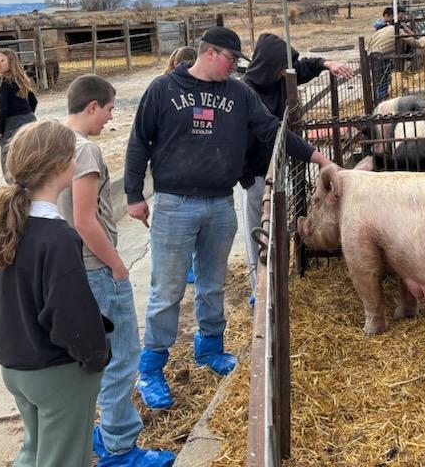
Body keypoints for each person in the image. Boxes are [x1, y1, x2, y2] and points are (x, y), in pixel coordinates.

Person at [124, 26, 333, 409]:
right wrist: (134, 194)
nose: (235, 67)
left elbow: (271, 130)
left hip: (220, 203)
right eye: (232, 59)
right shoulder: (163, 89)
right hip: (174, 203)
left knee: (211, 283)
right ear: (211, 53)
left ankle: (210, 347)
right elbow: (139, 141)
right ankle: (151, 366)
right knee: (167, 289)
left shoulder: (238, 93)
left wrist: (318, 157)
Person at [0, 119, 113, 467]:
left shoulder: (0, 228)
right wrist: (96, 356)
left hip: (15, 365)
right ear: (58, 167)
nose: (76, 162)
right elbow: (70, 313)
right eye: (73, 157)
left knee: (35, 452)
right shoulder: (58, 237)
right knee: (65, 459)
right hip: (56, 372)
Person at [56, 75, 175, 467]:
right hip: (96, 266)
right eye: (108, 110)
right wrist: (117, 264)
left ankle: (98, 431)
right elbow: (84, 220)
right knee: (121, 356)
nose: (109, 118)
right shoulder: (85, 150)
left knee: (86, 357)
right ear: (92, 106)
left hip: (67, 266)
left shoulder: (51, 139)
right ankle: (120, 448)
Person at [240, 33, 354, 294]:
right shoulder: (246, 91)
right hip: (253, 172)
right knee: (258, 230)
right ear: (269, 66)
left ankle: (277, 280)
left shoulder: (281, 78)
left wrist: (327, 64)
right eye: (281, 67)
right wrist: (246, 179)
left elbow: (305, 66)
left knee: (276, 225)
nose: (285, 72)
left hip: (275, 165)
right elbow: (264, 133)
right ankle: (260, 290)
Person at [163, 44, 200, 284]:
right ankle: (188, 267)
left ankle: (187, 267)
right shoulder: (168, 88)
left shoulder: (165, 85)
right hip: (183, 164)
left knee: (184, 225)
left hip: (179, 164)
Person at [0, 48, 38, 178]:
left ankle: (13, 183)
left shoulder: (3, 81)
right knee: (28, 153)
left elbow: (3, 108)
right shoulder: (21, 79)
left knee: (8, 155)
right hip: (29, 119)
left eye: (3, 60)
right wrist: (27, 115)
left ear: (11, 62)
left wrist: (0, 130)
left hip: (13, 122)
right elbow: (34, 101)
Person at [366, 8, 421, 103]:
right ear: (387, 16)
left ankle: (382, 96)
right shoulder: (385, 27)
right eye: (398, 16)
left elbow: (371, 40)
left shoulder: (385, 27)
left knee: (384, 76)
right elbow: (410, 38)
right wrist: (422, 44)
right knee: (381, 77)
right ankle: (380, 98)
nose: (402, 18)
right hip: (382, 54)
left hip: (379, 54)